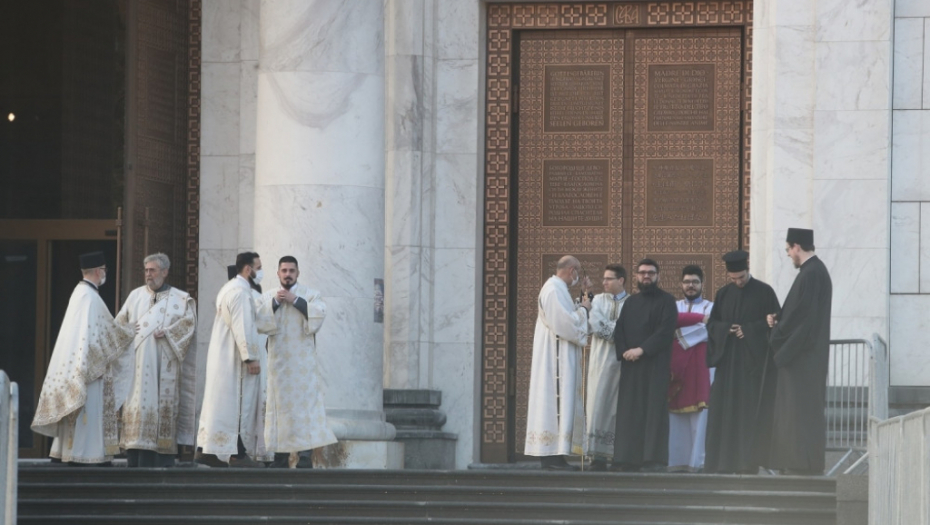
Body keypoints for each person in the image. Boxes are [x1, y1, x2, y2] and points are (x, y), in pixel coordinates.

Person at [31, 251, 133, 465]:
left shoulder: (80, 293)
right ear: (98, 271)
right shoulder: (89, 297)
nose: (105, 274)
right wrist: (127, 332)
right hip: (89, 371)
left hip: (80, 365)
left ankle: (72, 452)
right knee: (89, 412)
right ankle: (87, 454)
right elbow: (99, 335)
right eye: (104, 270)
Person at [114, 253, 196, 467]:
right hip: (137, 370)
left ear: (164, 272)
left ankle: (162, 459)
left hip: (163, 368)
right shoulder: (135, 296)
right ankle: (135, 455)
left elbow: (189, 326)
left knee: (162, 414)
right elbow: (118, 326)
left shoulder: (180, 298)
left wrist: (169, 333)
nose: (148, 275)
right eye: (147, 270)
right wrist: (127, 330)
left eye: (153, 270)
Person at [704, 250, 780, 474]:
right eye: (734, 279)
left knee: (748, 413)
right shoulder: (723, 294)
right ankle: (722, 462)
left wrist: (748, 330)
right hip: (728, 364)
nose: (738, 282)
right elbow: (712, 324)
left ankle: (748, 463)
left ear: (748, 270)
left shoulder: (765, 292)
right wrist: (727, 328)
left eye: (742, 278)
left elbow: (775, 322)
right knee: (724, 412)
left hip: (751, 366)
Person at [196, 251, 273, 468]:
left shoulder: (229, 288)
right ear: (248, 269)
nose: (260, 272)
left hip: (224, 354)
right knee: (237, 406)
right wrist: (251, 358)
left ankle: (209, 450)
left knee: (221, 405)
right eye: (258, 267)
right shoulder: (239, 292)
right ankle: (236, 454)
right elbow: (243, 326)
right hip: (234, 358)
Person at [768, 228, 833, 475]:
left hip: (801, 357)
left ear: (797, 246)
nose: (788, 255)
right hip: (806, 355)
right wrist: (780, 319)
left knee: (798, 411)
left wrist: (777, 328)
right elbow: (799, 313)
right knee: (802, 410)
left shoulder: (811, 274)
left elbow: (801, 317)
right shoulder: (815, 272)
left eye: (788, 250)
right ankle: (801, 463)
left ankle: (799, 464)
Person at [262, 256, 337, 468]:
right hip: (279, 364)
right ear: (277, 273)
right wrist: (277, 302)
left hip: (303, 364)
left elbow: (319, 314)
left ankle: (305, 455)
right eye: (284, 270)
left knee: (305, 408)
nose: (287, 274)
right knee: (280, 409)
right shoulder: (269, 296)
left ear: (298, 273)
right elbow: (259, 319)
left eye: (291, 271)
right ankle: (280, 456)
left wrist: (294, 300)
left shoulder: (311, 295)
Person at [524, 255, 591, 471]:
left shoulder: (559, 289)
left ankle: (557, 456)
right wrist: (585, 310)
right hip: (554, 362)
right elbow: (566, 324)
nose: (577, 277)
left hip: (561, 355)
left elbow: (568, 315)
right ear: (572, 270)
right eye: (577, 273)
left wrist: (582, 301)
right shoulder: (553, 289)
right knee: (554, 403)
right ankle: (551, 457)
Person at [611, 259, 677, 472]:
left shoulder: (667, 301)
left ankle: (653, 460)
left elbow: (665, 331)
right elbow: (618, 330)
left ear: (658, 276)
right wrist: (624, 351)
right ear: (637, 276)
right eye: (642, 273)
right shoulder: (630, 302)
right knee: (630, 412)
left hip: (655, 365)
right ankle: (626, 458)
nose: (646, 276)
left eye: (650, 272)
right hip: (631, 367)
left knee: (653, 411)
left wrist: (641, 350)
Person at [667, 265, 714, 473]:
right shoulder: (673, 305)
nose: (691, 286)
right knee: (674, 418)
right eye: (687, 282)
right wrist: (698, 321)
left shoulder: (711, 307)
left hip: (700, 368)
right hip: (675, 368)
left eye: (695, 282)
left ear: (702, 284)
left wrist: (680, 333)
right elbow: (668, 323)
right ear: (681, 284)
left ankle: (698, 462)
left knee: (699, 418)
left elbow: (711, 329)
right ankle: (675, 462)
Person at [583, 264, 629, 471]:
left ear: (621, 281)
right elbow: (595, 324)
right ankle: (598, 457)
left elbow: (635, 326)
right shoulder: (598, 300)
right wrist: (620, 329)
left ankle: (621, 455)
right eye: (603, 279)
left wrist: (619, 329)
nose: (604, 283)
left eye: (609, 279)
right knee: (598, 406)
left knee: (622, 409)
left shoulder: (633, 302)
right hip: (601, 363)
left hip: (626, 363)